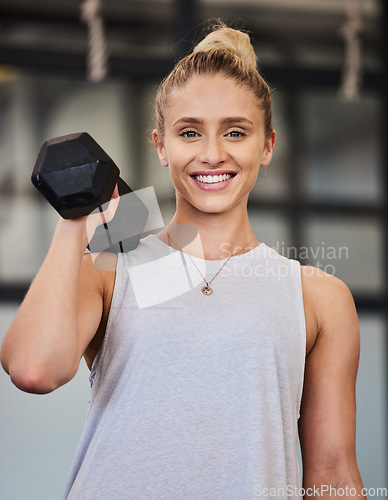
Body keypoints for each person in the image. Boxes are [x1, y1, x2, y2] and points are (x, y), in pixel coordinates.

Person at [1, 21, 365, 500]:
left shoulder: (318, 296)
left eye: (235, 132)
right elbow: (32, 370)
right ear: (161, 146)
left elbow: (333, 474)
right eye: (190, 133)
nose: (212, 154)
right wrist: (75, 217)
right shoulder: (116, 266)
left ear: (268, 146)